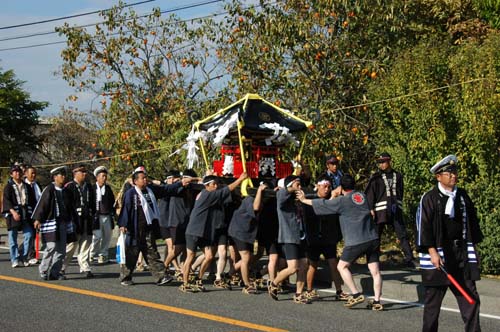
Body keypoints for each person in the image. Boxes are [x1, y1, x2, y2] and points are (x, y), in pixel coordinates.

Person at [416, 155, 482, 332]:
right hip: (439, 256)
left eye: (455, 172)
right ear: (438, 176)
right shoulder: (429, 198)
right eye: (449, 172)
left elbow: (472, 224)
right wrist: (432, 252)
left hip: (460, 255)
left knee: (471, 299)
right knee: (432, 306)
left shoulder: (462, 196)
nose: (453, 175)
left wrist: (474, 251)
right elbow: (423, 227)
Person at [297, 174, 384, 311]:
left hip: (356, 240)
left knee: (342, 266)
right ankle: (377, 301)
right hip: (372, 238)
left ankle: (355, 294)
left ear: (341, 187)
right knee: (375, 271)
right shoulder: (362, 196)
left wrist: (303, 199)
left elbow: (323, 204)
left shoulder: (342, 201)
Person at [118, 166, 191, 286]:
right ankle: (126, 277)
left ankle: (161, 276)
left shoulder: (151, 190)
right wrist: (123, 224)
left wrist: (180, 184)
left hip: (148, 228)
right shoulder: (130, 194)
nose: (145, 180)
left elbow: (165, 189)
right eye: (142, 178)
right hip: (135, 229)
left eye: (146, 177)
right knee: (132, 254)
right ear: (135, 181)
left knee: (152, 253)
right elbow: (126, 210)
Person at [180, 171, 247, 292]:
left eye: (217, 184)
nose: (216, 186)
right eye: (214, 184)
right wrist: (241, 178)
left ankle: (198, 279)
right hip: (194, 230)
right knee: (190, 256)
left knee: (210, 256)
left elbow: (223, 190)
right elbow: (227, 189)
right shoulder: (207, 194)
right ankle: (185, 283)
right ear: (207, 185)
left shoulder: (208, 192)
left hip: (204, 231)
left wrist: (210, 174)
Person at [365, 152, 415, 267]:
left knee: (402, 234)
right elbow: (370, 193)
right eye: (380, 163)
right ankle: (373, 260)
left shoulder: (398, 176)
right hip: (380, 211)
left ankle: (409, 258)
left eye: (384, 162)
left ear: (389, 161)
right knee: (376, 235)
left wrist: (398, 203)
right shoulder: (375, 177)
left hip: (395, 210)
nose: (382, 165)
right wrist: (370, 208)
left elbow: (400, 191)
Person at [303, 175, 347, 301]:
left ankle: (339, 291)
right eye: (324, 186)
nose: (327, 189)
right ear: (317, 186)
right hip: (314, 238)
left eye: (329, 187)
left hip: (328, 239)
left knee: (334, 264)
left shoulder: (333, 199)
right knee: (313, 265)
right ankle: (309, 290)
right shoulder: (310, 199)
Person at [268, 175, 310, 304]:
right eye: (297, 183)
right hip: (289, 237)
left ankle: (299, 294)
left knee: (304, 265)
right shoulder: (282, 195)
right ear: (290, 184)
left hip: (301, 236)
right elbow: (282, 196)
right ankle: (274, 283)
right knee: (293, 268)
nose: (300, 186)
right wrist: (289, 188)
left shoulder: (297, 198)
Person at [228, 181, 268, 294]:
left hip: (248, 232)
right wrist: (260, 190)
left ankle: (228, 275)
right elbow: (255, 207)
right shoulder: (249, 199)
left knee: (248, 257)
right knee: (245, 258)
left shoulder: (261, 200)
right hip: (239, 231)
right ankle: (246, 285)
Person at [32, 166, 70, 280]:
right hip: (50, 222)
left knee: (62, 250)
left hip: (63, 222)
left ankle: (55, 272)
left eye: (64, 175)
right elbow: (42, 204)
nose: (63, 177)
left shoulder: (66, 191)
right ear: (55, 177)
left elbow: (70, 207)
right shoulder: (49, 189)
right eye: (60, 175)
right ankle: (43, 269)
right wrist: (38, 219)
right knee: (51, 247)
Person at [163, 169, 199, 282]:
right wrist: (196, 179)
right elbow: (185, 181)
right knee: (177, 249)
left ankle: (184, 272)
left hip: (187, 223)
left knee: (186, 250)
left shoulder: (191, 190)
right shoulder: (177, 187)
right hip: (176, 222)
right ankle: (163, 268)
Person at [63, 165, 95, 278]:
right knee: (71, 245)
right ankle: (62, 267)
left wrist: (93, 216)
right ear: (75, 173)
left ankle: (85, 267)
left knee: (86, 244)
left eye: (85, 172)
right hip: (75, 220)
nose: (84, 174)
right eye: (81, 172)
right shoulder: (69, 187)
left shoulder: (89, 187)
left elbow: (93, 204)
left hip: (87, 220)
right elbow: (66, 205)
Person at [2, 165, 36, 267]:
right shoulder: (8, 187)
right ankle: (14, 259)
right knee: (12, 239)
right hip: (13, 215)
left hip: (25, 214)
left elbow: (32, 201)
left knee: (29, 235)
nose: (17, 173)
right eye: (15, 172)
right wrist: (13, 212)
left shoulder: (27, 186)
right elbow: (6, 201)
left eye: (19, 171)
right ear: (11, 174)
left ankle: (24, 257)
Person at [90, 166, 115, 264]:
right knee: (97, 236)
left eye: (105, 176)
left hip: (107, 216)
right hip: (96, 216)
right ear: (97, 177)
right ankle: (91, 253)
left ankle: (103, 254)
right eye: (102, 176)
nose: (104, 178)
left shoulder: (108, 189)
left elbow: (112, 202)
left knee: (107, 236)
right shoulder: (92, 188)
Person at [24, 165, 42, 265]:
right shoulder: (24, 185)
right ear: (26, 174)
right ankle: (30, 254)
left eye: (35, 173)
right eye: (31, 173)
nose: (33, 175)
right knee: (29, 234)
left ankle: (25, 251)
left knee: (34, 235)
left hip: (36, 213)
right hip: (27, 214)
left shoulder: (37, 184)